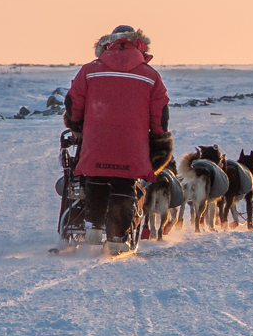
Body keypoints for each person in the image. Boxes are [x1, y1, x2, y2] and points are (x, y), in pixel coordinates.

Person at [64, 25, 172, 254]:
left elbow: (74, 103)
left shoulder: (90, 70)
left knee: (96, 175)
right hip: (133, 143)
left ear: (107, 43)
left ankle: (93, 226)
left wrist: (76, 125)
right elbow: (159, 113)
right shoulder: (151, 76)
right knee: (124, 184)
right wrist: (160, 140)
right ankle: (116, 237)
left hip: (96, 139)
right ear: (139, 44)